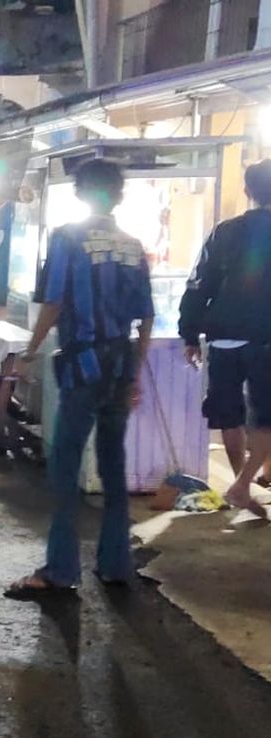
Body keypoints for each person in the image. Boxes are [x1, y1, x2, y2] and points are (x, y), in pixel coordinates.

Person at [6, 159, 154, 598]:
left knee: (65, 466)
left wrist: (29, 352)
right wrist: (133, 375)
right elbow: (146, 318)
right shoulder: (133, 245)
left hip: (82, 368)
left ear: (80, 193)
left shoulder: (68, 238)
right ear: (119, 196)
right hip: (119, 366)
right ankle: (114, 563)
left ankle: (61, 569)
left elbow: (53, 304)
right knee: (113, 465)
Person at [179, 159, 271, 517]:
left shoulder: (223, 232)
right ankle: (243, 485)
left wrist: (189, 333)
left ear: (247, 191)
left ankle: (240, 483)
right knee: (266, 417)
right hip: (266, 340)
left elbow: (199, 284)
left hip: (224, 338)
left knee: (229, 415)